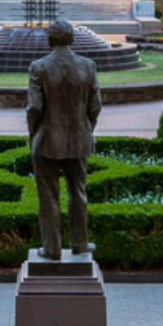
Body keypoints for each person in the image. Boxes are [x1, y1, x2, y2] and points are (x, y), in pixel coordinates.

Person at [26, 19, 103, 259]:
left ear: (49, 40)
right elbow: (95, 106)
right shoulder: (88, 66)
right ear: (72, 39)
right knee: (78, 192)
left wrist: (33, 134)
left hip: (47, 139)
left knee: (48, 196)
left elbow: (34, 108)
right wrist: (87, 129)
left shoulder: (39, 67)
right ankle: (80, 243)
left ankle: (51, 248)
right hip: (79, 139)